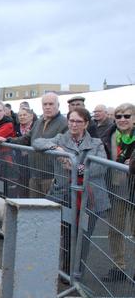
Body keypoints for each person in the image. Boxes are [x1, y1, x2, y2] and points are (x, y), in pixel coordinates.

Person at [33, 108, 109, 280]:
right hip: (65, 194)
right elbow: (37, 142)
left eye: (79, 122)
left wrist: (77, 167)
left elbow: (101, 167)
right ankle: (66, 270)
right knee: (67, 234)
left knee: (84, 237)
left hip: (90, 198)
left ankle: (77, 273)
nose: (74, 125)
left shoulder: (96, 143)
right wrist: (56, 148)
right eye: (71, 121)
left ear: (86, 124)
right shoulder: (61, 138)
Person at [0, 92, 68, 197]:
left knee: (49, 210)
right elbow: (26, 138)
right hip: (34, 175)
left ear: (58, 105)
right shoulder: (39, 122)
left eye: (51, 104)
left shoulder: (64, 123)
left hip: (52, 177)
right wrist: (7, 140)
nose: (47, 107)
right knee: (34, 208)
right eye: (45, 104)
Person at [101, 103, 135, 281]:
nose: (122, 119)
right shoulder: (109, 135)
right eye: (119, 116)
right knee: (115, 230)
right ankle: (118, 267)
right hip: (115, 190)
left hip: (133, 190)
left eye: (127, 116)